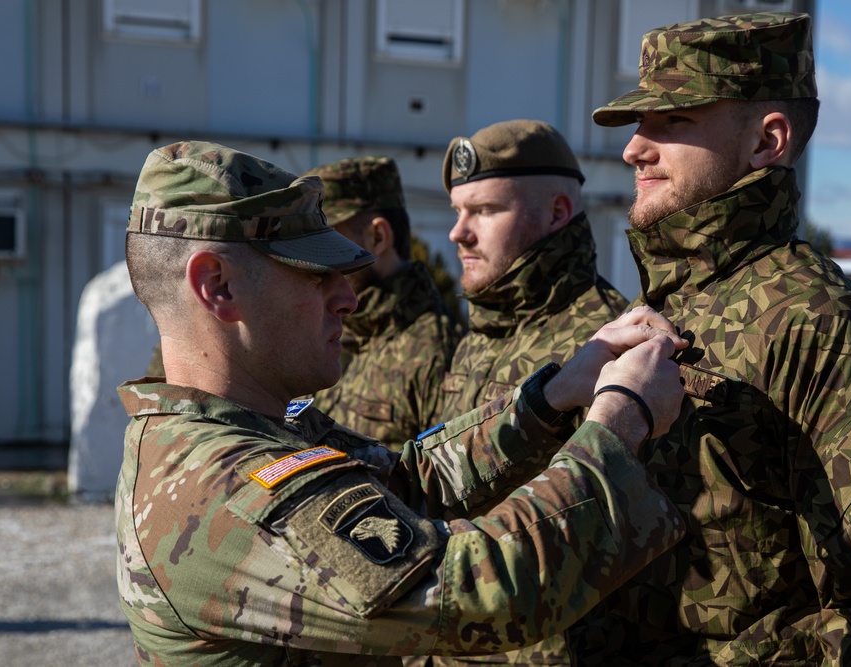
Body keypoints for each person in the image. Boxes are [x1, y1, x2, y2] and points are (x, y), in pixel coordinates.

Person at [116, 140, 691, 665]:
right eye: (314, 275)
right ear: (217, 286)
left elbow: (406, 482)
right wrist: (618, 424)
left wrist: (549, 399)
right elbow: (479, 592)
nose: (348, 298)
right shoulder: (226, 485)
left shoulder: (259, 428)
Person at [564, 12, 851, 665]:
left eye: (673, 121)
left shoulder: (824, 327)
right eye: (637, 124)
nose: (634, 148)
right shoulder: (653, 309)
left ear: (767, 140)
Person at [436, 119, 631, 665]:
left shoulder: (605, 340)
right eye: (457, 211)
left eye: (486, 210)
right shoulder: (477, 335)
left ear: (557, 213)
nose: (458, 232)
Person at [304, 156, 461, 450]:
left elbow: (448, 483)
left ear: (377, 237)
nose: (317, 262)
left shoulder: (435, 352)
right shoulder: (337, 333)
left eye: (330, 244)